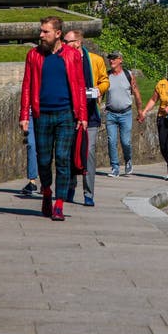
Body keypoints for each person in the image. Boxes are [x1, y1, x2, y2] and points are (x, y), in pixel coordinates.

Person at [19, 17, 88, 221]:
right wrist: (24, 115)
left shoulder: (72, 55)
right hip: (42, 115)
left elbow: (80, 86)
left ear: (58, 34)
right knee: (43, 159)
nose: (41, 35)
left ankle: (59, 203)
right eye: (41, 31)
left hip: (66, 114)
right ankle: (46, 191)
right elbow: (26, 86)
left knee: (63, 159)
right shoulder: (33, 55)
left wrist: (82, 115)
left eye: (45, 32)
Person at [63, 29, 109, 207]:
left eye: (68, 41)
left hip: (90, 114)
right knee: (68, 153)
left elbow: (105, 80)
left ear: (78, 43)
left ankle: (88, 193)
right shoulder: (63, 59)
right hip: (70, 114)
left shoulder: (95, 60)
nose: (65, 44)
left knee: (88, 153)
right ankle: (70, 186)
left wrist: (99, 89)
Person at [105, 51, 143, 177]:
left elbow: (136, 93)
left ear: (120, 60)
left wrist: (140, 111)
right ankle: (115, 167)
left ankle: (128, 161)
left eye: (114, 59)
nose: (111, 61)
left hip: (125, 113)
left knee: (125, 141)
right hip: (111, 113)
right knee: (111, 141)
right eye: (110, 59)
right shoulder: (107, 76)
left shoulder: (128, 75)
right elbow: (100, 94)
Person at [20, 115, 39, 197]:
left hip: (48, 113)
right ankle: (32, 182)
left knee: (45, 147)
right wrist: (23, 117)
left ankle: (46, 184)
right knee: (31, 145)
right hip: (30, 115)